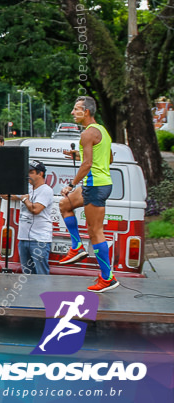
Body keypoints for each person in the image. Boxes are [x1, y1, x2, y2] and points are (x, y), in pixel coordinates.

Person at [57, 97, 119, 292]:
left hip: (95, 186)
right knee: (64, 205)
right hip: (97, 184)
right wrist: (78, 154)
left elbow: (87, 164)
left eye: (76, 109)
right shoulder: (102, 131)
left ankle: (107, 278)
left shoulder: (87, 134)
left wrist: (70, 184)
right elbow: (108, 158)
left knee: (95, 231)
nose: (72, 113)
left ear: (87, 112)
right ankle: (77, 246)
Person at [3, 160, 55, 276]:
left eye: (31, 172)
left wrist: (25, 199)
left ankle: (42, 294)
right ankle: (29, 294)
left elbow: (36, 209)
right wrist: (6, 179)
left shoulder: (46, 190)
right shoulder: (28, 189)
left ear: (40, 174)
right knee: (27, 274)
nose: (28, 175)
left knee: (41, 273)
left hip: (39, 239)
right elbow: (6, 195)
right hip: (24, 238)